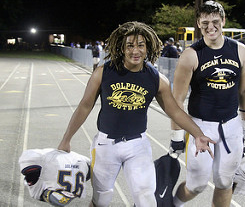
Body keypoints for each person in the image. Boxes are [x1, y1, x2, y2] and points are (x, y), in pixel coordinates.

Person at [57, 21, 215, 207]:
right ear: (121, 47)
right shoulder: (103, 72)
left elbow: (175, 112)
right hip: (106, 144)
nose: (135, 51)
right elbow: (84, 106)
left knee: (146, 199)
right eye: (130, 45)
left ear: (148, 47)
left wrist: (198, 134)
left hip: (137, 145)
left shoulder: (157, 79)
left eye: (140, 45)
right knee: (101, 198)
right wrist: (66, 139)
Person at [170, 0, 245, 207]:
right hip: (200, 126)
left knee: (225, 181)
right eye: (205, 22)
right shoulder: (190, 55)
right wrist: (177, 136)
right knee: (196, 185)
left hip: (231, 125)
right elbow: (177, 100)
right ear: (199, 23)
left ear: (223, 21)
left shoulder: (240, 50)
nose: (210, 27)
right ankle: (173, 204)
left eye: (215, 21)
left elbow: (244, 90)